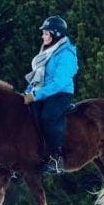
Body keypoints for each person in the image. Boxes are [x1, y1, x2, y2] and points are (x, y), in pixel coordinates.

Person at [23, 15, 78, 175]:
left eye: (46, 33)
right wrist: (27, 94)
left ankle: (56, 157)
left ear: (56, 35)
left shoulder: (66, 55)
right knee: (26, 114)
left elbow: (59, 82)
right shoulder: (46, 53)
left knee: (48, 116)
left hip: (61, 93)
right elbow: (36, 79)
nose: (43, 36)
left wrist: (35, 96)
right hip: (43, 93)